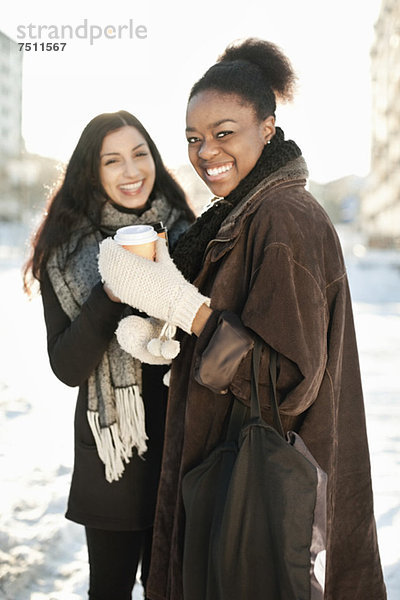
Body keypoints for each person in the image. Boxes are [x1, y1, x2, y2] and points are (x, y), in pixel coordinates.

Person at [98, 40, 387, 600]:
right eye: (193, 138)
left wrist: (187, 308)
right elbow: (236, 325)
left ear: (268, 129)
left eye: (224, 132)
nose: (207, 152)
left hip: (258, 492)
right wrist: (167, 330)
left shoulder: (284, 218)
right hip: (225, 478)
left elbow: (287, 381)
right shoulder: (237, 214)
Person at [22, 110, 195, 600]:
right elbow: (67, 366)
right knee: (111, 590)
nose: (131, 170)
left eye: (140, 154)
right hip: (112, 459)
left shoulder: (187, 235)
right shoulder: (66, 249)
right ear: (92, 172)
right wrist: (111, 293)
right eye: (112, 160)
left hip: (184, 448)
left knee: (175, 588)